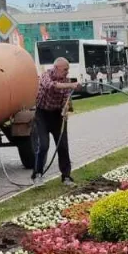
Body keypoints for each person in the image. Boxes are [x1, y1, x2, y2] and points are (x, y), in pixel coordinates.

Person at [33, 57, 82, 186]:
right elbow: (50, 86)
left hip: (57, 116)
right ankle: (37, 175)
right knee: (43, 146)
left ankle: (66, 177)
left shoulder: (66, 81)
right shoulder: (45, 75)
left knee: (63, 146)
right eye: (65, 69)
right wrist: (71, 84)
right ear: (56, 68)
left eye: (68, 69)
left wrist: (66, 110)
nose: (67, 72)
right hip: (42, 114)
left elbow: (67, 100)